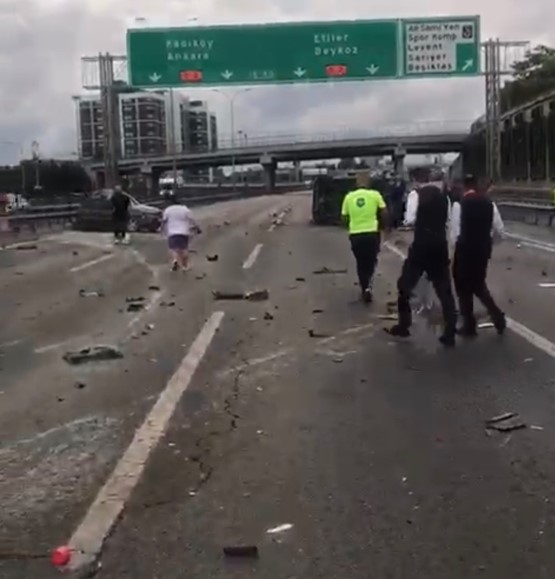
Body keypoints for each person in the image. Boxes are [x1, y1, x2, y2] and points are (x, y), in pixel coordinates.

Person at [386, 182, 458, 347]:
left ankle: (404, 324)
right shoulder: (444, 198)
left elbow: (410, 219)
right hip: (439, 246)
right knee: (444, 290)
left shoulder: (415, 195)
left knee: (405, 286)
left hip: (421, 246)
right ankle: (450, 330)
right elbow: (447, 219)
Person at [450, 175, 506, 337]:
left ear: (463, 187)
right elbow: (499, 231)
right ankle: (496, 316)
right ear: (476, 185)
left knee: (462, 287)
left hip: (465, 249)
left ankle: (469, 325)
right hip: (483, 249)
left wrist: (455, 251)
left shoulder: (459, 205)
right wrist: (487, 244)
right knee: (478, 284)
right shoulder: (489, 204)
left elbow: (455, 233)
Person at [341, 171, 389, 303]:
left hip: (356, 234)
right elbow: (384, 212)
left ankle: (364, 287)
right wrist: (386, 227)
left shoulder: (349, 197)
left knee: (360, 262)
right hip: (372, 233)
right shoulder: (375, 195)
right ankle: (369, 285)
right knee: (371, 260)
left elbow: (344, 217)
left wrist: (350, 226)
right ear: (368, 183)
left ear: (356, 183)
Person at [161, 193, 201, 272]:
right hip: (184, 232)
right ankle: (185, 266)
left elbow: (164, 221)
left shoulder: (168, 210)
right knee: (184, 249)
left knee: (174, 249)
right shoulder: (184, 209)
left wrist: (162, 229)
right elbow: (192, 220)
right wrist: (198, 228)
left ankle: (175, 260)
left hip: (172, 233)